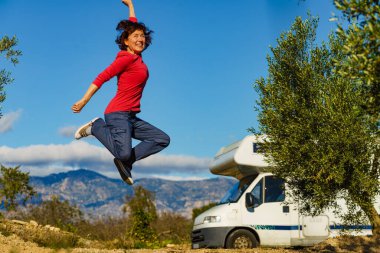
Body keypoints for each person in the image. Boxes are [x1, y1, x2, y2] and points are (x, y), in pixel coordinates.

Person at [71, 0, 170, 185]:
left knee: (161, 139)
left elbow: (132, 23)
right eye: (136, 36)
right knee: (123, 152)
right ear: (126, 41)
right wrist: (84, 100)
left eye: (142, 36)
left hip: (130, 117)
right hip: (117, 114)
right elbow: (102, 77)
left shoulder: (137, 57)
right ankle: (96, 126)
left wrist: (131, 5)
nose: (141, 39)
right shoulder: (125, 59)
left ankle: (126, 163)